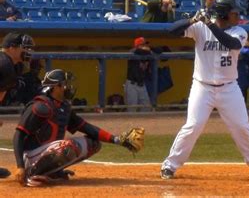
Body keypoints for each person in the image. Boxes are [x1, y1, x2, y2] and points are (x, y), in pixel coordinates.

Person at [161, 0, 249, 180]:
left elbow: (231, 43)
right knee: (193, 126)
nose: (238, 16)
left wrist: (209, 24)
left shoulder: (239, 31)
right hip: (202, 87)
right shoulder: (200, 27)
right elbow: (172, 31)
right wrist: (193, 20)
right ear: (224, 14)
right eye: (235, 13)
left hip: (229, 88)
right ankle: (169, 166)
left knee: (242, 127)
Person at [13, 69, 143, 187]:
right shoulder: (39, 106)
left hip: (45, 152)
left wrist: (116, 140)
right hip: (29, 156)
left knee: (93, 143)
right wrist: (20, 166)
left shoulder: (63, 106)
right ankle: (31, 174)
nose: (68, 87)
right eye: (64, 84)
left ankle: (52, 172)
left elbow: (86, 127)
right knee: (68, 146)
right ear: (55, 87)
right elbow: (18, 135)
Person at [0, 32, 35, 179]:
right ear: (12, 48)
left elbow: (1, 92)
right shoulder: (3, 64)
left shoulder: (14, 66)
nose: (27, 52)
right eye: (24, 48)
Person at [125, 37, 152, 112]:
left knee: (146, 107)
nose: (145, 46)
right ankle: (131, 124)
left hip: (142, 84)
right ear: (137, 45)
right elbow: (137, 51)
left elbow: (158, 50)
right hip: (132, 84)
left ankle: (144, 123)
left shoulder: (147, 54)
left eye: (145, 44)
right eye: (143, 45)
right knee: (132, 108)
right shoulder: (133, 52)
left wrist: (150, 50)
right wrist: (149, 51)